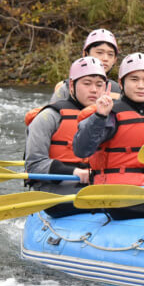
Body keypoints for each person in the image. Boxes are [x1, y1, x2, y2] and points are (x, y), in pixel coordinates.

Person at [24, 57, 107, 216]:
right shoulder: (49, 117)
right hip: (56, 192)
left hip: (97, 189)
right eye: (87, 83)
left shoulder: (109, 118)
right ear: (71, 86)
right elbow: (33, 164)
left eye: (99, 85)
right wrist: (74, 172)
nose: (94, 90)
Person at [73, 53, 144, 186]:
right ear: (121, 83)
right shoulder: (111, 113)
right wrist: (100, 117)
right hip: (114, 191)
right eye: (134, 79)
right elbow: (82, 150)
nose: (141, 86)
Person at [51, 28, 120, 103]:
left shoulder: (119, 90)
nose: (105, 58)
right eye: (100, 52)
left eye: (110, 54)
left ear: (115, 59)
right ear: (85, 54)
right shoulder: (64, 88)